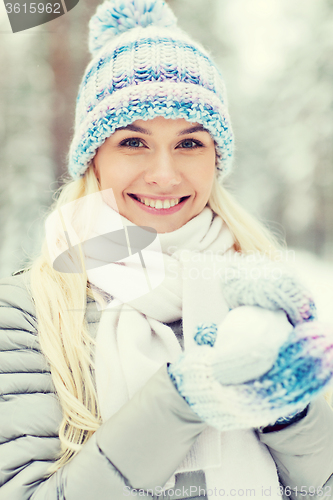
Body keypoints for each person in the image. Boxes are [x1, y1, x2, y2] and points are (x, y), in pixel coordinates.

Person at [1, 1, 333, 499]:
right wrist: (181, 402)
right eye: (133, 143)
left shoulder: (256, 287)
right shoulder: (28, 311)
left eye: (190, 144)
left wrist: (289, 410)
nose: (165, 174)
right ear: (93, 158)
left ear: (216, 159)